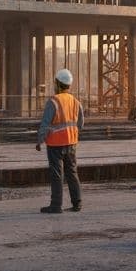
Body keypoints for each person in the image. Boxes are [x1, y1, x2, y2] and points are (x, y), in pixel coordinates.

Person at [36, 67, 84, 213]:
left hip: (55, 144)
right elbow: (80, 124)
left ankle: (56, 205)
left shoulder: (54, 101)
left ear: (57, 84)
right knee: (72, 173)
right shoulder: (76, 102)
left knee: (57, 174)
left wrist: (40, 140)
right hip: (71, 143)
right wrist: (73, 134)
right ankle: (77, 203)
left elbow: (45, 124)